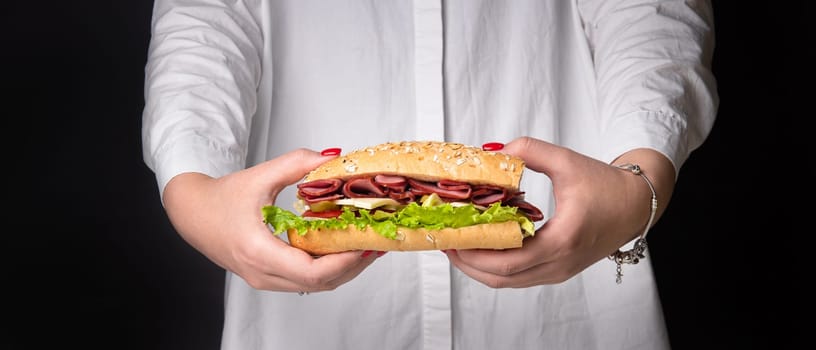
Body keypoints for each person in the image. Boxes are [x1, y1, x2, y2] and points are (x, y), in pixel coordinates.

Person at [141, 1, 718, 349]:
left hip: (570, 309)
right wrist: (194, 188)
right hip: (310, 329)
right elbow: (205, 22)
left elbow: (650, 15)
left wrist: (640, 175)